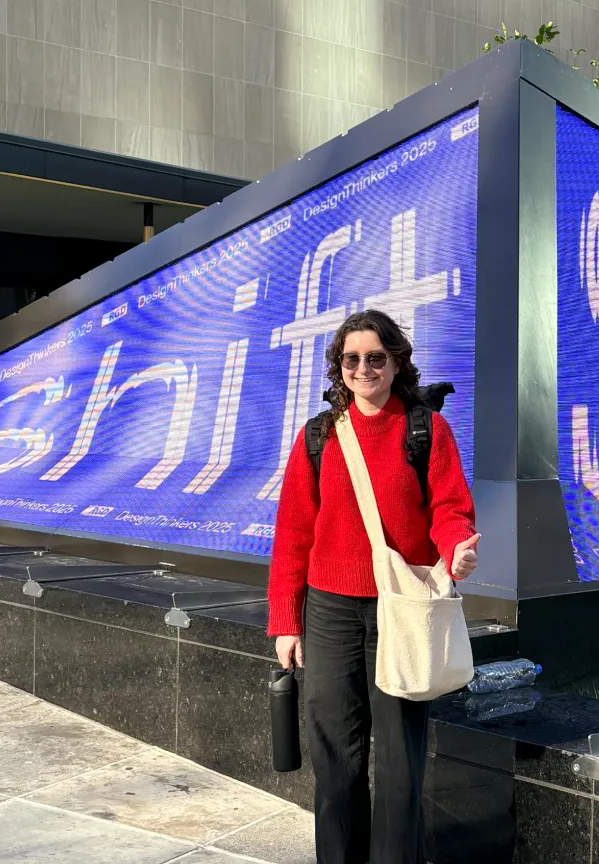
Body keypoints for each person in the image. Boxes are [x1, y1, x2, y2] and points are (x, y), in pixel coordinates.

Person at [267, 309, 479, 864]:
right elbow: (292, 532)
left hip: (402, 609)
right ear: (340, 368)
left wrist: (457, 544)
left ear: (396, 362)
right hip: (331, 610)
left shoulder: (424, 428)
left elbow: (450, 506)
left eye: (376, 358)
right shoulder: (318, 436)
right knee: (335, 758)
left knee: (400, 766)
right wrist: (286, 621)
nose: (364, 369)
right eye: (352, 359)